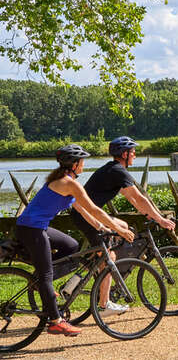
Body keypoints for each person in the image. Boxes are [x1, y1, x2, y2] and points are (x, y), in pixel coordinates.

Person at [15, 144, 135, 338]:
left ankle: (40, 283)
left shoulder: (64, 180)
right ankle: (55, 321)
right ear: (75, 164)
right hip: (31, 230)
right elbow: (95, 209)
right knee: (46, 276)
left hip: (35, 226)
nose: (84, 165)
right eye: (82, 162)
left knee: (71, 246)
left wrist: (101, 227)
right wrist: (119, 228)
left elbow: (82, 209)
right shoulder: (69, 183)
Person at [69, 136, 175, 312]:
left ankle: (101, 267)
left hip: (87, 214)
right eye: (132, 152)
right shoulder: (118, 171)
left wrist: (150, 214)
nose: (135, 155)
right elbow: (137, 198)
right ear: (124, 154)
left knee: (124, 227)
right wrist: (160, 219)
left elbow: (135, 199)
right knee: (109, 257)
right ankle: (104, 303)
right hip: (87, 217)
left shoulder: (114, 169)